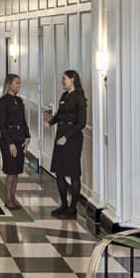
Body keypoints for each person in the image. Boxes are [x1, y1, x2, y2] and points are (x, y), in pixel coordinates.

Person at [47, 70, 87, 216]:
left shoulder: (79, 98)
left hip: (73, 139)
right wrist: (51, 122)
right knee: (59, 172)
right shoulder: (64, 96)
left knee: (74, 173)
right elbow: (59, 114)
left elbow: (81, 123)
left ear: (72, 79)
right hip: (60, 136)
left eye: (64, 79)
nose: (62, 81)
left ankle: (73, 208)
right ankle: (63, 204)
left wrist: (67, 137)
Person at [0, 73, 30, 208]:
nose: (19, 86)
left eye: (19, 83)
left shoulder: (19, 101)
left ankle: (14, 197)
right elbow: (2, 125)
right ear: (9, 84)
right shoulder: (3, 102)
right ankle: (8, 199)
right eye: (17, 83)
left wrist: (27, 136)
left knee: (16, 171)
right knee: (10, 171)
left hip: (20, 138)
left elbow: (23, 120)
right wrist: (10, 143)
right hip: (8, 140)